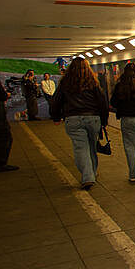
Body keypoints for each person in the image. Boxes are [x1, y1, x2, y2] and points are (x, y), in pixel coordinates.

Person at [50, 57, 109, 190]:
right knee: (92, 147)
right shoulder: (93, 82)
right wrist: (104, 121)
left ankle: (88, 177)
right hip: (93, 118)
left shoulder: (65, 82)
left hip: (73, 119)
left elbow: (56, 101)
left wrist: (55, 117)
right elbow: (102, 102)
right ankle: (92, 174)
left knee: (80, 148)